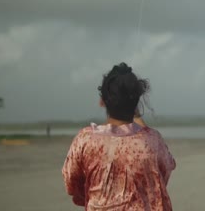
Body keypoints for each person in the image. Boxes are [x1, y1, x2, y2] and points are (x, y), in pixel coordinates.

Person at [62, 62, 176, 211]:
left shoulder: (85, 140)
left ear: (102, 101)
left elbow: (71, 184)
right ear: (136, 103)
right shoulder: (153, 141)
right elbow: (162, 177)